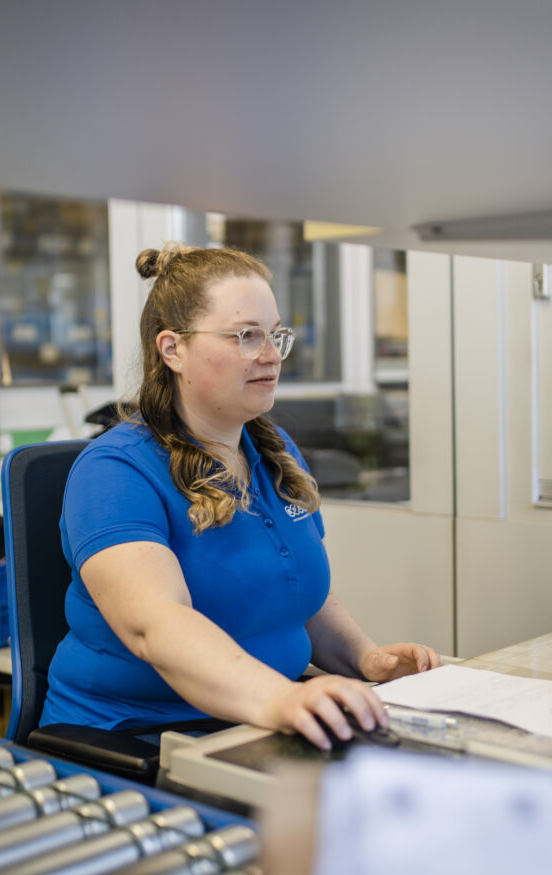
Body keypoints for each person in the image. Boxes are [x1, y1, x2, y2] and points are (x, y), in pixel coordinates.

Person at [40, 242, 441, 751]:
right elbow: (155, 626)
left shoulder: (272, 451)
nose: (271, 355)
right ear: (173, 350)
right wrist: (279, 698)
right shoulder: (114, 472)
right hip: (132, 740)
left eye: (276, 335)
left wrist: (367, 659)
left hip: (253, 722)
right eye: (247, 336)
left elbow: (298, 598)